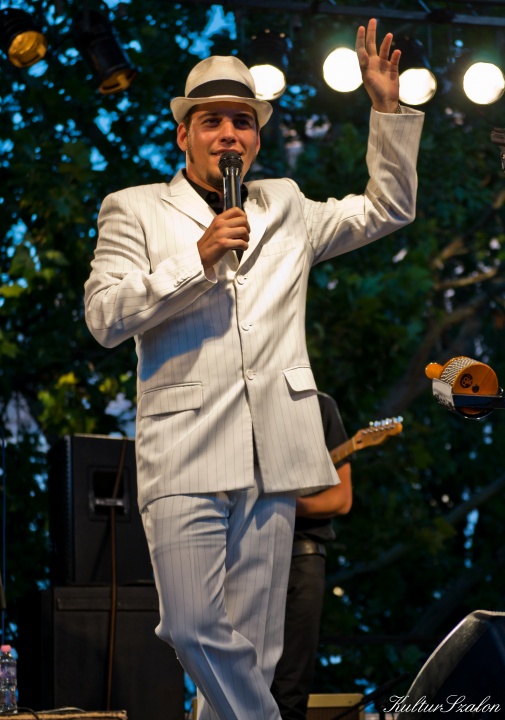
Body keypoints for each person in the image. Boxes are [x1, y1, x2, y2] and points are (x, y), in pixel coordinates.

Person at [84, 18, 424, 720]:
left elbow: (387, 208)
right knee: (190, 626)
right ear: (184, 134)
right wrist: (198, 257)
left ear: (257, 139)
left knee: (256, 654)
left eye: (242, 121)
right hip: (184, 453)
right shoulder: (135, 209)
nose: (228, 134)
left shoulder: (287, 205)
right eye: (212, 121)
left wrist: (386, 111)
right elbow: (105, 316)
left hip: (276, 454)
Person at [271, 392, 353, 720]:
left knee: (290, 689)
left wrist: (290, 505)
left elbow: (341, 499)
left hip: (300, 557)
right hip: (241, 554)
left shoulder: (318, 406)